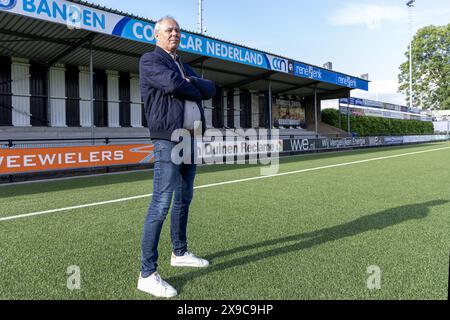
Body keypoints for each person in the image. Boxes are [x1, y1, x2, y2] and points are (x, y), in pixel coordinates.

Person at [137, 16, 216, 298]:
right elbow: (172, 85)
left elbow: (209, 89)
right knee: (161, 202)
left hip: (190, 138)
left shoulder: (183, 64)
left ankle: (179, 252)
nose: (175, 33)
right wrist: (188, 83)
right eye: (169, 30)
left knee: (185, 197)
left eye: (178, 30)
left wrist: (189, 80)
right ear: (156, 34)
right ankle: (147, 274)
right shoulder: (150, 60)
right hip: (167, 138)